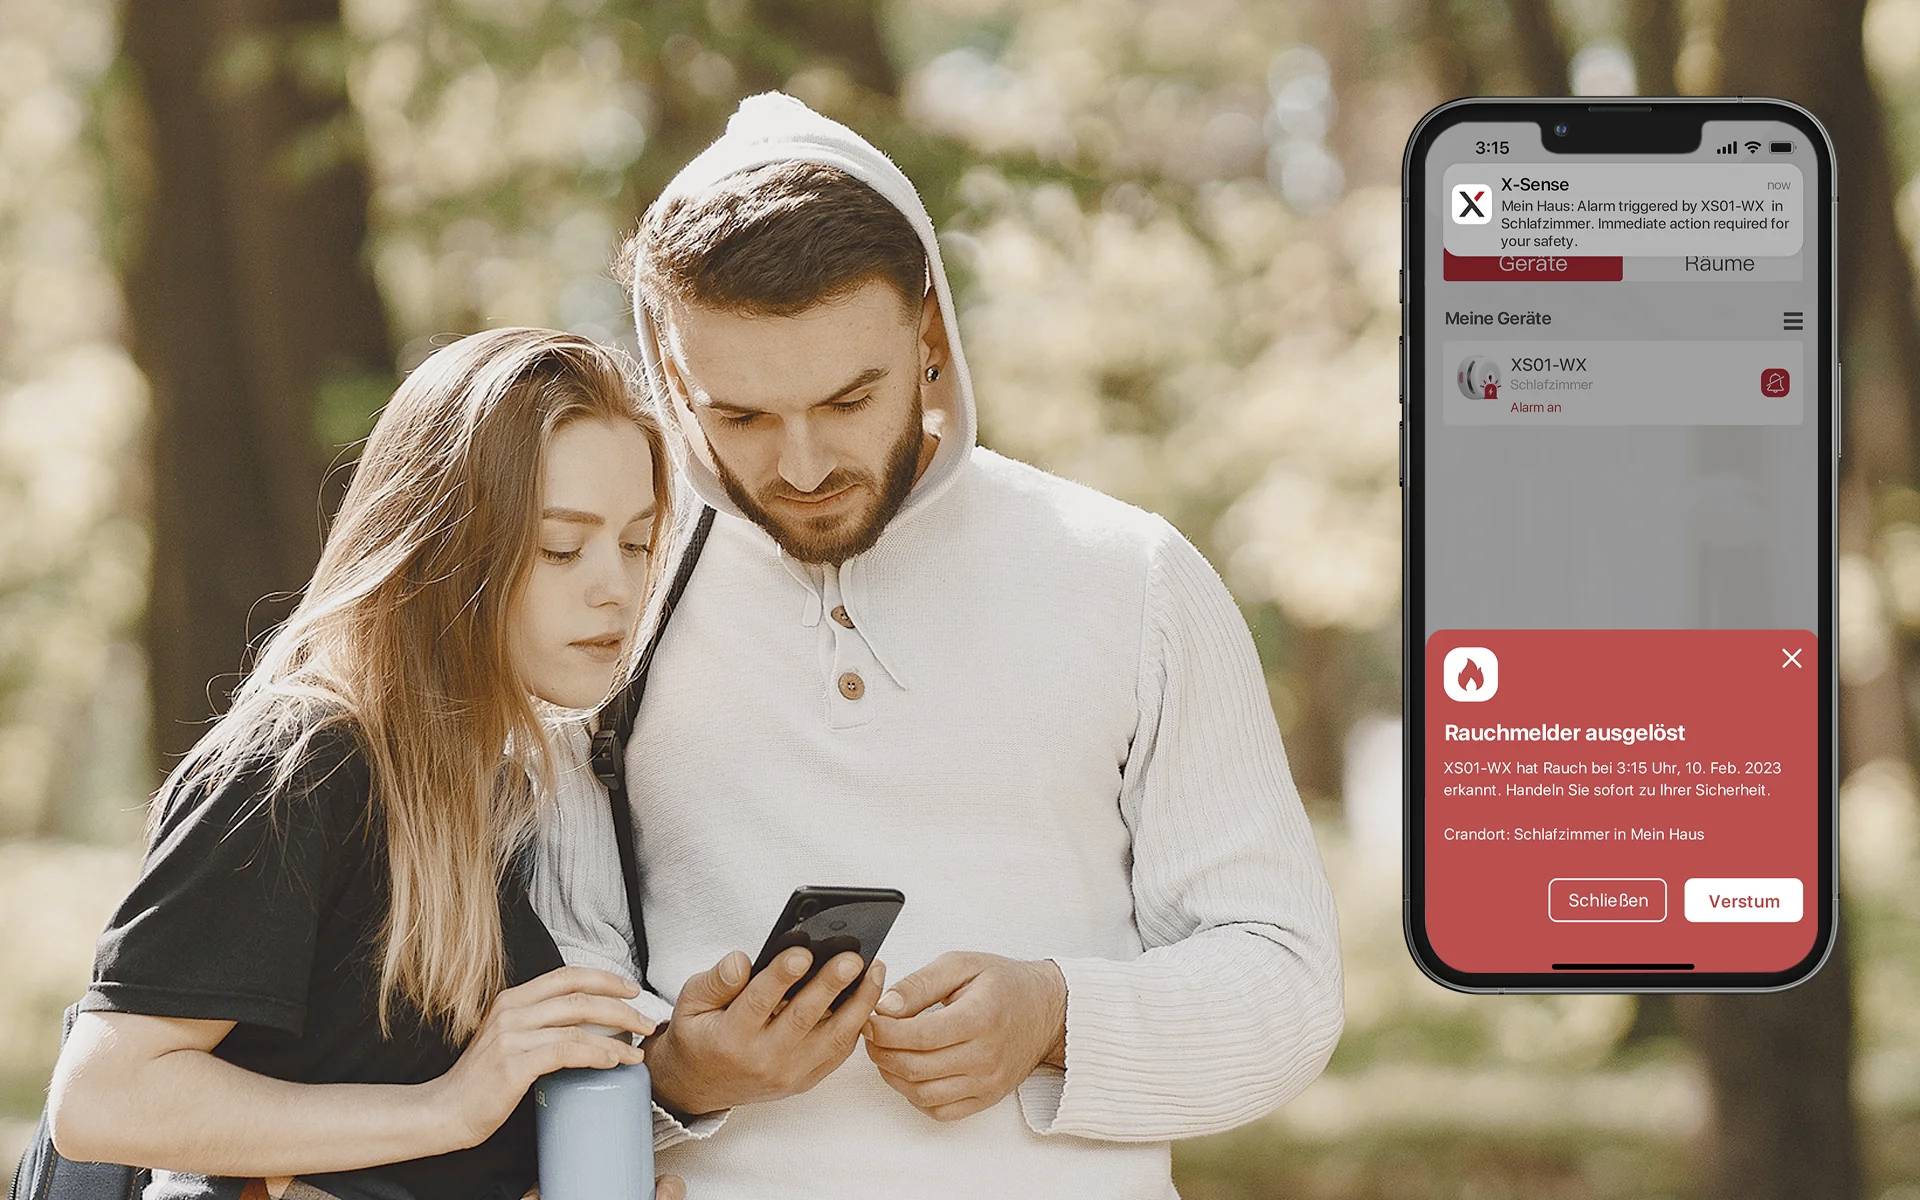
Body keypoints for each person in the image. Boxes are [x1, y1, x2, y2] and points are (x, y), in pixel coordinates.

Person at [545, 92, 1345, 1197]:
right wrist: (681, 1074)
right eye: (742, 417)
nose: (803, 465)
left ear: (930, 337)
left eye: (848, 399)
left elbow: (1288, 985)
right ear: (673, 378)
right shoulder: (606, 599)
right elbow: (534, 991)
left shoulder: (1132, 577)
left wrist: (1057, 1017)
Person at [47, 328, 687, 1200]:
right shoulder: (304, 764)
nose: (616, 587)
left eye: (639, 543)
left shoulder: (507, 781)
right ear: (441, 543)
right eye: (560, 548)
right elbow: (103, 1095)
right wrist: (449, 1109)